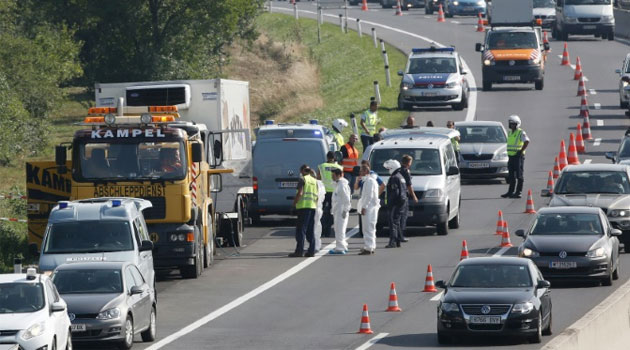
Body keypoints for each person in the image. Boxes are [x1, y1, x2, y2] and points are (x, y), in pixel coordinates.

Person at [290, 165, 319, 258]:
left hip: (303, 207)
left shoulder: (302, 179)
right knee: (310, 230)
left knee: (301, 230)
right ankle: (311, 251)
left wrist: (294, 204)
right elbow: (317, 195)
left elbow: (300, 193)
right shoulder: (314, 181)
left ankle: (299, 251)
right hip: (312, 207)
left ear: (302, 171)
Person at [391, 155, 419, 241]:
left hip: (397, 196)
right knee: (403, 216)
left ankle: (398, 235)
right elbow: (409, 185)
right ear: (408, 163)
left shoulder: (397, 170)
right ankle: (401, 236)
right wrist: (414, 196)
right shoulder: (406, 171)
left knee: (397, 217)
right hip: (404, 196)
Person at [501, 115, 530, 199]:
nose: (511, 125)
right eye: (510, 124)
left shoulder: (521, 132)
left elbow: (527, 141)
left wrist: (520, 151)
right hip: (511, 157)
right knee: (511, 175)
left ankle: (518, 192)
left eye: (513, 124)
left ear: (517, 124)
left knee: (519, 175)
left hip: (518, 157)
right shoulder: (510, 133)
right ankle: (510, 192)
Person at [317, 152, 343, 238]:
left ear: (327, 157)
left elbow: (318, 179)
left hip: (324, 192)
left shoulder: (322, 166)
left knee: (322, 211)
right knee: (333, 212)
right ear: (334, 158)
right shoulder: (339, 167)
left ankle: (322, 230)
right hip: (334, 192)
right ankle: (328, 230)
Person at [358, 163, 380, 255]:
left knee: (368, 228)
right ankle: (370, 246)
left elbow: (369, 196)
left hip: (369, 208)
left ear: (366, 171)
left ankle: (368, 247)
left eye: (361, 171)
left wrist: (364, 207)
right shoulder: (368, 181)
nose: (360, 172)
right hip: (371, 207)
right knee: (369, 228)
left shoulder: (369, 181)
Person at [384, 159, 406, 248]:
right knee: (397, 221)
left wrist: (390, 203)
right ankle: (398, 241)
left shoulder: (394, 178)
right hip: (402, 202)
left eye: (389, 168)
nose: (388, 170)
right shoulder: (400, 176)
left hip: (396, 203)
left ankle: (392, 242)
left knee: (393, 222)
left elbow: (395, 192)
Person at [329, 168, 351, 254]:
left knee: (339, 230)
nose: (332, 177)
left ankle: (340, 248)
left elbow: (347, 199)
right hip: (338, 210)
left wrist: (345, 211)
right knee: (339, 229)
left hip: (341, 211)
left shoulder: (342, 185)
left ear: (338, 175)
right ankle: (343, 245)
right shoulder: (338, 184)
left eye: (333, 175)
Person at [311, 169, 327, 252]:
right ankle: (317, 244)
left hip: (314, 207)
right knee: (317, 226)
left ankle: (314, 245)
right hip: (319, 207)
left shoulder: (313, 183)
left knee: (313, 227)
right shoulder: (321, 184)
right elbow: (323, 196)